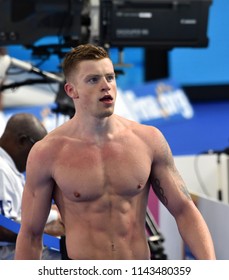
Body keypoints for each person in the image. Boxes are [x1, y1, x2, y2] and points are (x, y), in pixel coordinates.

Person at [15, 44, 216, 260]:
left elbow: (185, 211)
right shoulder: (47, 153)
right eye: (93, 80)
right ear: (71, 90)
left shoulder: (148, 140)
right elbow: (31, 234)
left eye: (110, 78)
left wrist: (211, 269)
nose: (106, 86)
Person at [0, 113, 64, 259]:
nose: (40, 158)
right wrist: (47, 231)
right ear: (22, 141)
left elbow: (20, 214)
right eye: (38, 150)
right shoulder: (1, 170)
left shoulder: (10, 169)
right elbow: (2, 228)